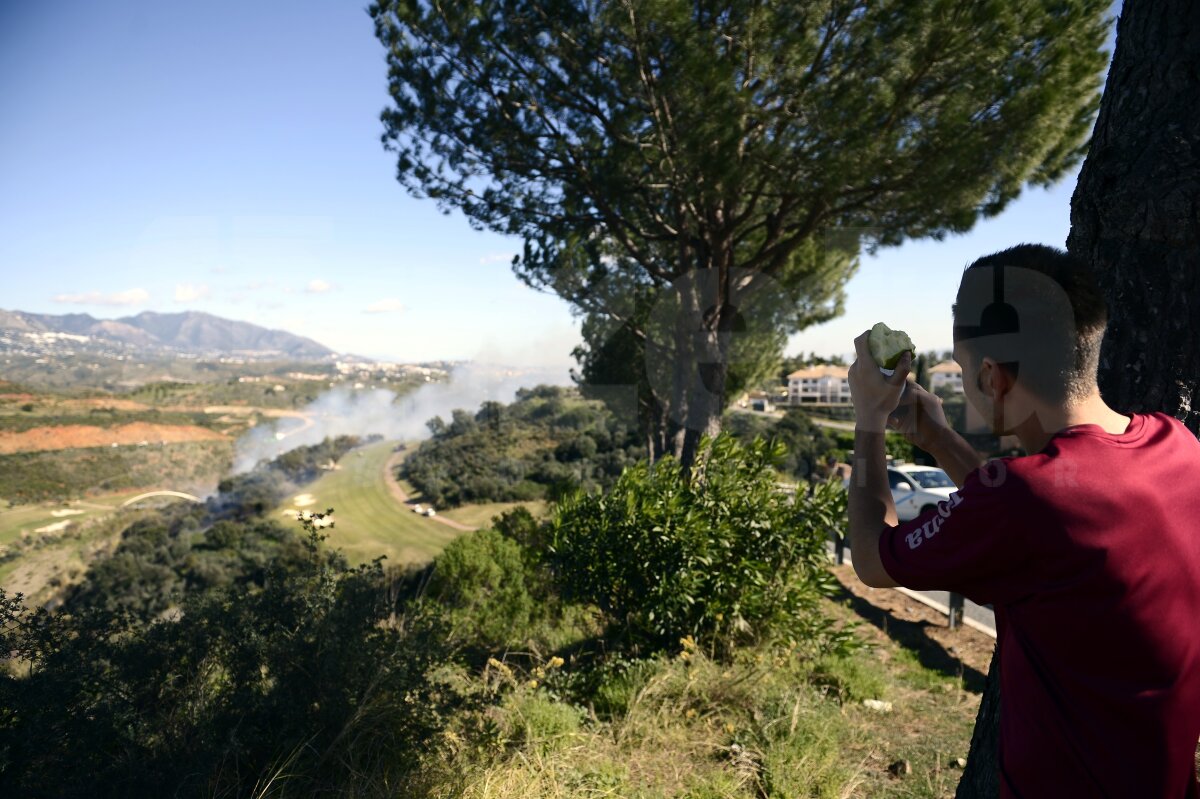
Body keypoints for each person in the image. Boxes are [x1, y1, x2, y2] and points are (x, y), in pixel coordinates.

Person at [845, 244, 1200, 796]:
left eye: (964, 371)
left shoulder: (1025, 499)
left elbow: (870, 558)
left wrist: (868, 421)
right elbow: (1033, 511)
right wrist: (937, 437)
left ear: (993, 378)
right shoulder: (1174, 445)